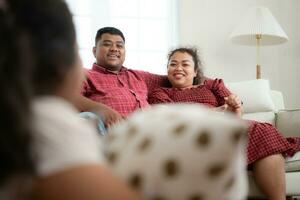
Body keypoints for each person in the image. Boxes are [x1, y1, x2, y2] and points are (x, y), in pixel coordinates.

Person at [0, 0, 143, 199]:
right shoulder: (49, 120)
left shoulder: (136, 76)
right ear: (63, 64)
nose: (114, 49)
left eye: (119, 45)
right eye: (78, 50)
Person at [148, 47, 300, 200]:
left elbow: (236, 114)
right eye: (173, 64)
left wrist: (235, 107)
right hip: (194, 134)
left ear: (195, 71)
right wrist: (215, 113)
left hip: (228, 127)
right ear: (167, 69)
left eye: (185, 64)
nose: (178, 68)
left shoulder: (212, 85)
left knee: (264, 132)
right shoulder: (160, 93)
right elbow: (170, 118)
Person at [77, 27, 169, 121]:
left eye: (119, 46)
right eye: (107, 44)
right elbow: (68, 97)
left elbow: (172, 79)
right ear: (94, 51)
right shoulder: (85, 74)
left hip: (148, 128)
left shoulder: (139, 76)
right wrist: (101, 109)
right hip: (114, 131)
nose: (114, 49)